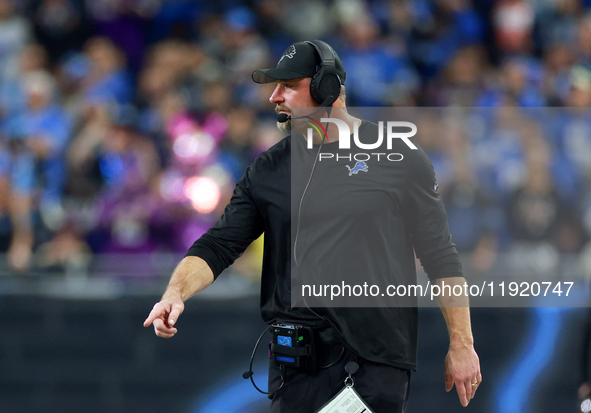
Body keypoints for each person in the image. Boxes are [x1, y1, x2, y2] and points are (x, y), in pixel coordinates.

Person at [144, 40, 481, 412]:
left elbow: (440, 256)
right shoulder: (269, 169)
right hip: (295, 367)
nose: (274, 97)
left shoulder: (400, 158)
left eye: (288, 85)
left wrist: (462, 344)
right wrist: (175, 293)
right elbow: (219, 244)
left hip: (373, 365)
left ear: (328, 89)